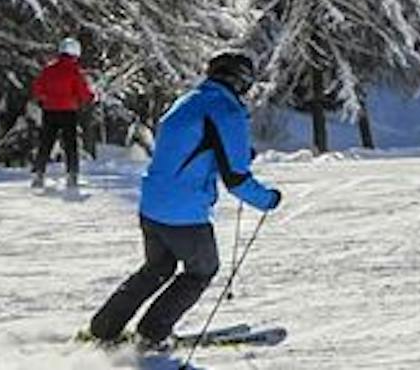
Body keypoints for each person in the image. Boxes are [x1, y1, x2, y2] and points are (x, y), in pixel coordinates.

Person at [84, 50, 284, 354]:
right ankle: (153, 333)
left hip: (152, 205)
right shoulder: (227, 109)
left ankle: (104, 327)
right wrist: (267, 199)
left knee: (157, 267)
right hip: (184, 213)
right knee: (202, 269)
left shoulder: (189, 100)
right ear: (241, 80)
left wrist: (239, 152)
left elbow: (193, 146)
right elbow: (236, 179)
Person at [29, 38, 97, 192]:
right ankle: (72, 175)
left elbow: (38, 89)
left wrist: (45, 98)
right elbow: (83, 92)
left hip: (49, 111)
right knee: (70, 144)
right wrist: (91, 97)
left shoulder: (48, 70)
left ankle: (39, 173)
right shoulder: (75, 71)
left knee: (46, 142)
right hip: (68, 111)